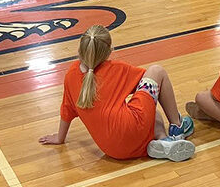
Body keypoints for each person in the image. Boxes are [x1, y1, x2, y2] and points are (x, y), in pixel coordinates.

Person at [38, 25, 196, 162]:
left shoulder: (70, 75)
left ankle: (163, 141)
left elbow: (67, 110)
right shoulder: (116, 68)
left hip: (111, 150)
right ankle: (177, 127)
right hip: (133, 130)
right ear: (109, 52)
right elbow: (151, 82)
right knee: (157, 71)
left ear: (80, 50)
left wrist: (60, 138)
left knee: (152, 114)